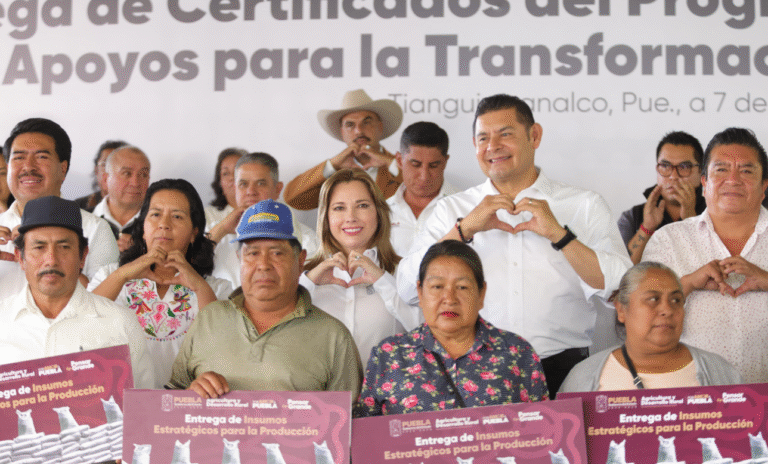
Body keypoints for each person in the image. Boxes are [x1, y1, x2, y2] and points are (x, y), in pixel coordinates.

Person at [397, 94, 631, 398]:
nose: (492, 146)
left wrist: (560, 235)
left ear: (534, 136)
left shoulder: (582, 205)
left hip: (562, 373)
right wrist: (463, 229)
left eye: (505, 134)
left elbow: (623, 286)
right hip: (471, 374)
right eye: (483, 138)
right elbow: (406, 287)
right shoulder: (451, 210)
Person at [167, 199, 363, 398]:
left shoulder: (333, 336)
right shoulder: (208, 318)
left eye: (277, 253)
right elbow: (170, 401)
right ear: (239, 260)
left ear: (301, 260)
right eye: (252, 253)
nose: (263, 265)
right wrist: (190, 396)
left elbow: (348, 421)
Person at [355, 240, 548, 416]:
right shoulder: (389, 355)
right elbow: (367, 438)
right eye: (437, 286)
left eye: (462, 287)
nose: (449, 298)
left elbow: (541, 433)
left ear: (481, 294)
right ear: (420, 293)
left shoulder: (517, 353)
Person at [643, 127, 768, 383]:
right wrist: (687, 284)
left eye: (746, 170)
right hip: (693, 405)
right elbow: (636, 319)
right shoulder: (669, 240)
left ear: (764, 186)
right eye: (721, 169)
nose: (732, 180)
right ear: (704, 183)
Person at [89, 179, 233, 387]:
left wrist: (199, 286)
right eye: (155, 214)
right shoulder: (111, 276)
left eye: (177, 216)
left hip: (186, 408)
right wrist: (123, 275)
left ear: (194, 232)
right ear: (143, 227)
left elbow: (224, 344)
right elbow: (82, 322)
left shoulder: (217, 288)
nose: (164, 224)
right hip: (123, 408)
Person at [0, 196, 153, 389]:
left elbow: (143, 406)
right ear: (20, 258)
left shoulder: (121, 323)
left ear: (83, 256)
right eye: (39, 247)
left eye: (64, 247)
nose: (51, 260)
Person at [559, 262, 741, 392]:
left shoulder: (721, 373)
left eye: (676, 300)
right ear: (621, 309)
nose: (667, 310)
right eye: (653, 299)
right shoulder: (584, 378)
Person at [301, 169, 412, 364]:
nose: (350, 217)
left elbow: (424, 330)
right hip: (320, 394)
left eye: (362, 205)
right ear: (325, 217)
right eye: (339, 208)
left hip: (386, 392)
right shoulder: (304, 275)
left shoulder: (405, 270)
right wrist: (307, 285)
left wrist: (383, 282)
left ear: (378, 212)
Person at [0, 118, 119, 280]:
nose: (28, 167)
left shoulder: (94, 229)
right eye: (19, 157)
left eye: (41, 157)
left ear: (63, 169)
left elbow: (104, 299)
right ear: (8, 168)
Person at [209, 152, 318, 286]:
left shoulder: (305, 238)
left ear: (278, 189)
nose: (251, 191)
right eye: (243, 184)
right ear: (235, 189)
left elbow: (305, 289)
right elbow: (189, 265)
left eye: (261, 183)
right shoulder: (215, 232)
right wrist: (222, 230)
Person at [284, 89, 403, 210]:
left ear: (380, 126)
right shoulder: (334, 172)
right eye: (350, 125)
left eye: (366, 122)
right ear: (342, 132)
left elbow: (421, 188)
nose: (359, 131)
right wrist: (332, 164)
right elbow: (293, 199)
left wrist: (390, 163)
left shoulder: (399, 166)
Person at [618, 132, 706, 264]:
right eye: (665, 166)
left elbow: (716, 272)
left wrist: (690, 221)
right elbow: (619, 273)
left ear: (701, 172)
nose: (673, 176)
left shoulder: (716, 214)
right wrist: (647, 227)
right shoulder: (632, 217)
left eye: (684, 167)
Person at [387, 122, 458, 256]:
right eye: (415, 164)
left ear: (445, 162)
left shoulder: (463, 206)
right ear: (399, 160)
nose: (424, 176)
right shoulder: (382, 212)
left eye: (433, 166)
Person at [92, 145, 151, 251]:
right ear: (106, 180)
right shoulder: (80, 219)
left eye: (143, 175)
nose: (135, 183)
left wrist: (142, 251)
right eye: (127, 173)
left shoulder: (159, 224)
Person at [74, 140, 128, 212]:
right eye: (105, 164)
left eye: (118, 165)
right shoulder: (78, 207)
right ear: (96, 170)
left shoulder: (144, 207)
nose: (111, 171)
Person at [205, 147, 246, 229]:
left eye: (237, 171)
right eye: (226, 173)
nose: (232, 177)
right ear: (220, 183)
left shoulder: (271, 211)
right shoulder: (208, 215)